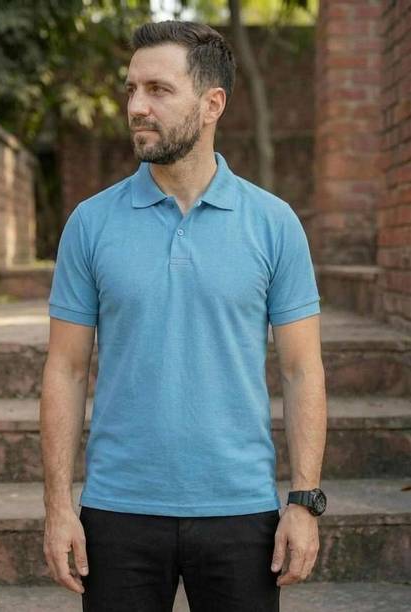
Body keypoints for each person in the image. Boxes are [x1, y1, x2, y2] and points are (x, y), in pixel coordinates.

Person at [40, 19, 327, 612]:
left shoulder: (274, 224)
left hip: (241, 510)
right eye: (131, 89)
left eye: (158, 90)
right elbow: (65, 370)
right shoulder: (90, 224)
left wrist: (303, 502)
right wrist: (58, 506)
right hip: (117, 510)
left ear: (212, 103)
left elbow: (302, 370)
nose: (136, 107)